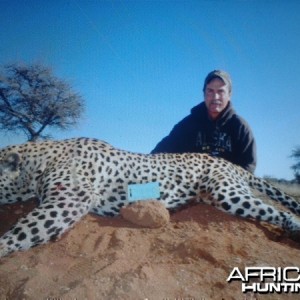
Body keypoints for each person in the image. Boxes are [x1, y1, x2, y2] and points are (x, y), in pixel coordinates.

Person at [151, 70, 257, 173]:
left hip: (225, 186)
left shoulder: (241, 128)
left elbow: (248, 166)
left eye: (221, 91)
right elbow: (159, 154)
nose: (215, 97)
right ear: (204, 93)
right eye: (210, 91)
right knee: (144, 185)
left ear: (229, 95)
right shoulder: (187, 125)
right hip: (191, 185)